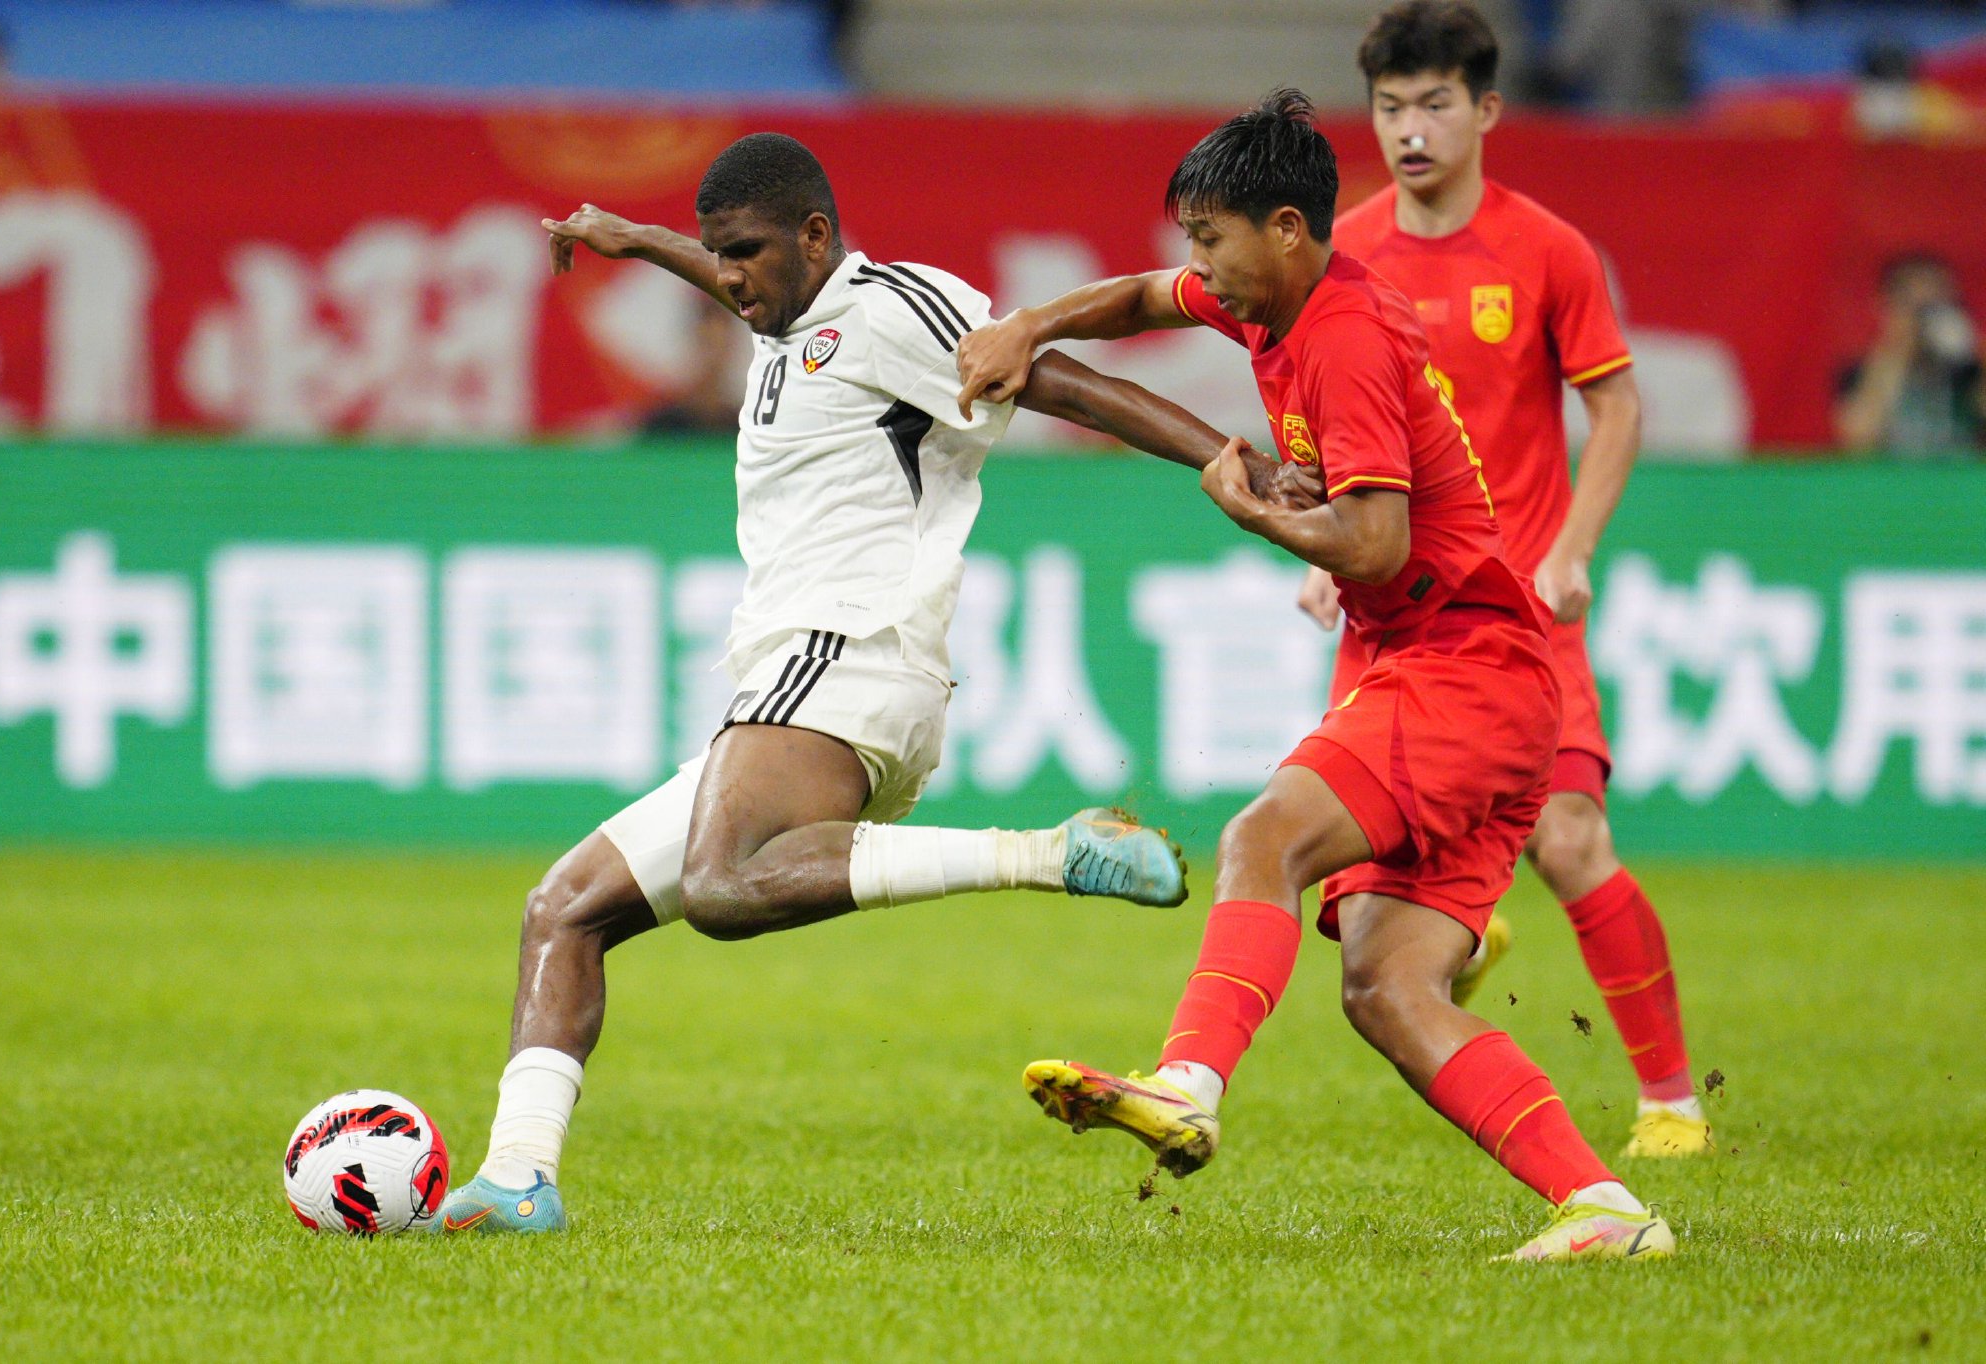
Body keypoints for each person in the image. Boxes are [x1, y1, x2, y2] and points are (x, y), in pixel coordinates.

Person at [438, 132, 1305, 1234]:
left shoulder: (895, 308)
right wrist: (632, 239)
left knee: (718, 884)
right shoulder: (782, 313)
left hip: (849, 651)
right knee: (562, 909)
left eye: (749, 252)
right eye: (719, 256)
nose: (733, 278)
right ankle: (519, 1178)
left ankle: (1050, 851)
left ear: (815, 233)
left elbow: (1059, 382)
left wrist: (1223, 456)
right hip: (789, 675)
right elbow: (728, 276)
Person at [956, 90, 1672, 1262]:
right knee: (1388, 989)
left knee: (1259, 839)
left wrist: (1255, 512)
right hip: (1480, 678)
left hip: (1459, 665)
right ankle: (1604, 1207)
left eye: (1210, 240)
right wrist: (1024, 326)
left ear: (1284, 228)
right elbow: (1139, 298)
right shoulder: (1270, 298)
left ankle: (1186, 1079)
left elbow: (1375, 547)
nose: (1197, 267)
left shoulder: (1339, 336)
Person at [1305, 0, 1711, 1160]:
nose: (1409, 129)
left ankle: (1671, 1101)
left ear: (1484, 109)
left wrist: (1572, 543)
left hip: (1521, 614)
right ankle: (1463, 939)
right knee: (1356, 909)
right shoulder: (1350, 258)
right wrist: (1325, 549)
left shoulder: (1544, 249)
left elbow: (1615, 401)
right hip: (1390, 617)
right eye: (1389, 108)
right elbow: (1322, 422)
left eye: (1433, 103)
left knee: (1571, 838)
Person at [1835, 252, 1985, 456]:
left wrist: (1974, 353)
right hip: (1891, 483)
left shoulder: (1966, 368)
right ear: (1887, 305)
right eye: (1916, 306)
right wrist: (1900, 350)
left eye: (1938, 305)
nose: (1926, 320)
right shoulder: (1862, 370)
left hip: (1959, 481)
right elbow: (1859, 439)